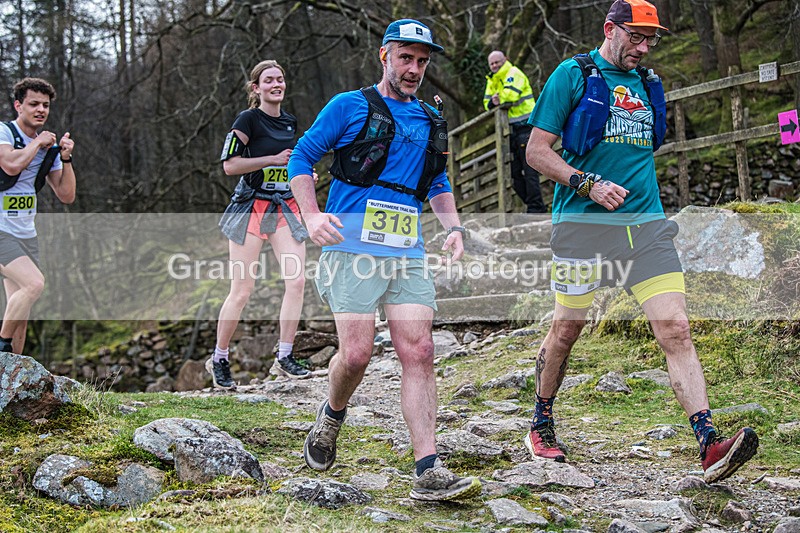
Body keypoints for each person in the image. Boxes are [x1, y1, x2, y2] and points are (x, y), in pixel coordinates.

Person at [523, 0, 758, 484]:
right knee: (567, 329)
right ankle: (541, 422)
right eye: (636, 36)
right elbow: (535, 152)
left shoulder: (649, 84)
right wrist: (586, 182)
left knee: (676, 330)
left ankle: (709, 443)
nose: (645, 47)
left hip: (647, 227)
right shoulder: (572, 75)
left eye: (652, 39)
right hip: (582, 227)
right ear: (610, 29)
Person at [288, 19, 481, 501]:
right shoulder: (349, 106)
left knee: (419, 351)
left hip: (406, 251)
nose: (414, 69)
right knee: (355, 355)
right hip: (351, 248)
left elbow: (436, 183)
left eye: (422, 61)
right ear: (384, 56)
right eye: (406, 58)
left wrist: (454, 227)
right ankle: (332, 414)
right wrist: (311, 217)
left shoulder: (431, 120)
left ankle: (428, 469)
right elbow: (301, 160)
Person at [211, 60, 311, 388]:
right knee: (242, 290)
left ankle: (284, 356)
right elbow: (230, 166)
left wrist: (301, 174)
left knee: (296, 282)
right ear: (257, 88)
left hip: (283, 205)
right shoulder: (247, 120)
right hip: (250, 207)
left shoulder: (289, 121)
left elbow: (290, 163)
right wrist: (271, 159)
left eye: (280, 79)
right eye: (268, 80)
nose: (275, 84)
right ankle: (220, 358)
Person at [0, 78, 75, 355]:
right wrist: (38, 142)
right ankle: (1, 346)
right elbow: (10, 165)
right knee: (34, 283)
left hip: (25, 232)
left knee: (20, 307)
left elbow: (66, 195)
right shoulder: (5, 132)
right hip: (0, 229)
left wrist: (65, 158)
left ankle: (10, 375)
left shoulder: (49, 148)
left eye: (45, 105)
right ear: (19, 105)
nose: (40, 110)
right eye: (33, 104)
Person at [483, 50, 546, 214]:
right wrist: (493, 101)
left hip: (525, 126)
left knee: (529, 169)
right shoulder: (492, 79)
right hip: (509, 131)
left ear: (506, 59)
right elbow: (486, 102)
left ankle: (536, 208)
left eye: (498, 62)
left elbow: (510, 95)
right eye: (492, 63)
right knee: (513, 173)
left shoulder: (513, 73)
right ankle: (534, 205)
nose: (495, 65)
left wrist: (498, 99)